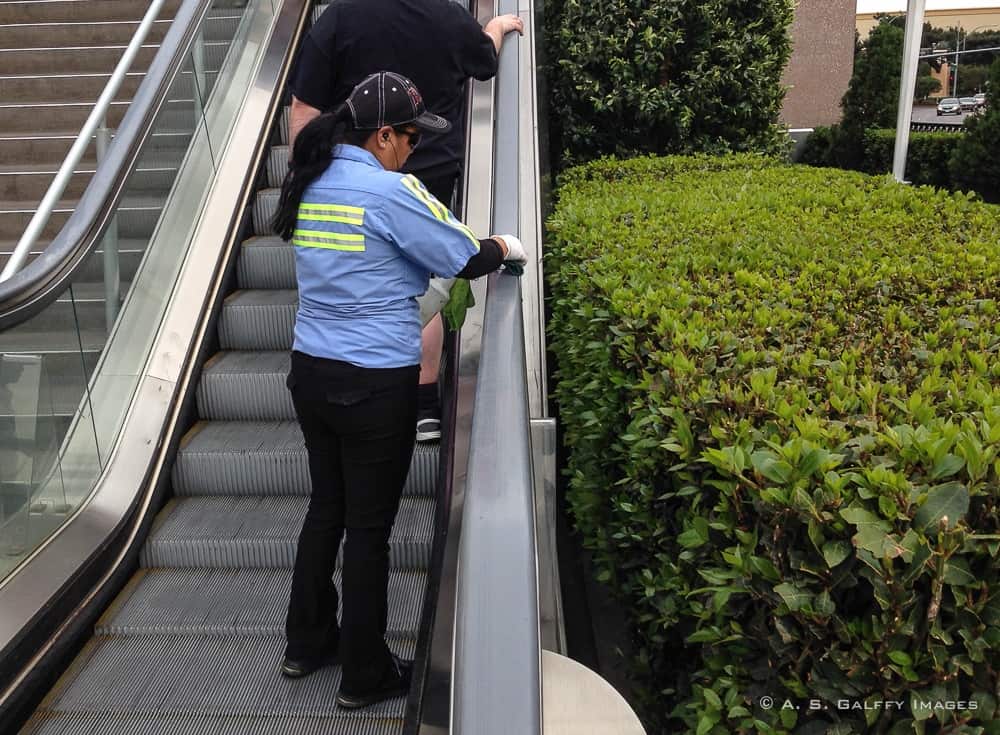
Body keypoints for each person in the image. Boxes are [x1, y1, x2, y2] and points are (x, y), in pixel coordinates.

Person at [272, 71, 527, 709]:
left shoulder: (313, 181)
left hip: (311, 371)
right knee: (369, 528)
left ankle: (305, 644)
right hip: (373, 381)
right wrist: (505, 245)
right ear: (383, 134)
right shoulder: (388, 191)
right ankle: (365, 674)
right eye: (410, 136)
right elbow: (464, 256)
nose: (413, 148)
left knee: (324, 507)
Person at [287, 0, 524, 443]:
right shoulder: (448, 16)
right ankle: (424, 401)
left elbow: (304, 105)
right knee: (426, 276)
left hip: (347, 176)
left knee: (347, 272)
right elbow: (484, 60)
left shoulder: (341, 17)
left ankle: (340, 386)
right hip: (429, 168)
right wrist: (494, 26)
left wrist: (307, 181)